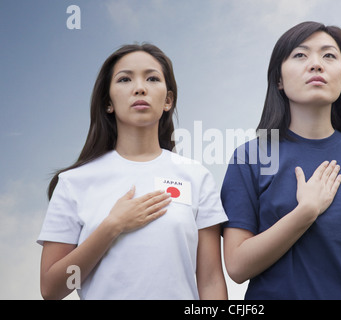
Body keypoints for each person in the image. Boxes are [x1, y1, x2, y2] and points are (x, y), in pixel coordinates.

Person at [221, 21, 341, 299]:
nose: (316, 64)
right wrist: (306, 212)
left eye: (329, 56)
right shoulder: (249, 158)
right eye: (300, 55)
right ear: (278, 79)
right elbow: (237, 266)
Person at [37, 44, 228, 300]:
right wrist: (112, 226)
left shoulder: (196, 176)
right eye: (125, 79)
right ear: (108, 102)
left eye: (152, 78)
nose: (140, 87)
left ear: (168, 100)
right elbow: (51, 289)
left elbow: (211, 282)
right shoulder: (73, 182)